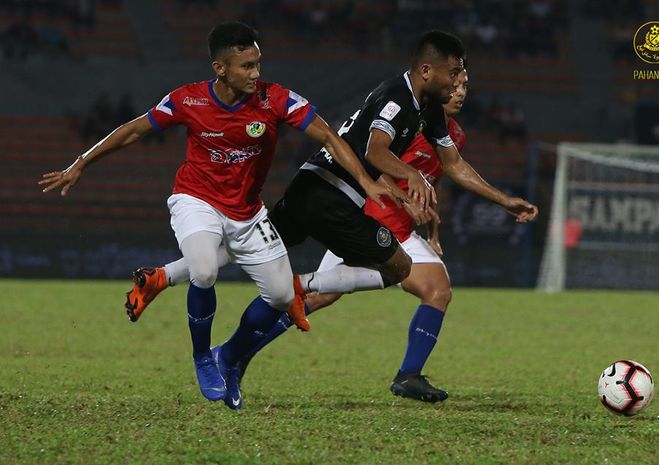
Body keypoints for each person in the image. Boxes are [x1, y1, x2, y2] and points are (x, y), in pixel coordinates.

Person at [127, 31, 538, 408]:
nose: (459, 81)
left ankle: (176, 291)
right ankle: (247, 335)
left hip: (310, 188)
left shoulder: (428, 109)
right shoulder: (396, 97)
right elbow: (377, 152)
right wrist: (404, 176)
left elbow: (454, 164)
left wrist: (504, 200)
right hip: (331, 198)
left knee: (245, 255)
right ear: (427, 70)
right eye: (454, 73)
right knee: (398, 267)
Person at [38, 21, 394, 406]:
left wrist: (366, 181)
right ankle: (202, 357)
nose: (256, 74)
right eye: (247, 67)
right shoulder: (188, 100)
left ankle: (228, 355)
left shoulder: (275, 100)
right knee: (205, 269)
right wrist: (82, 162)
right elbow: (134, 130)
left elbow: (327, 136)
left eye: (258, 64)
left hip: (248, 213)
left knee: (277, 295)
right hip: (196, 201)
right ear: (220, 68)